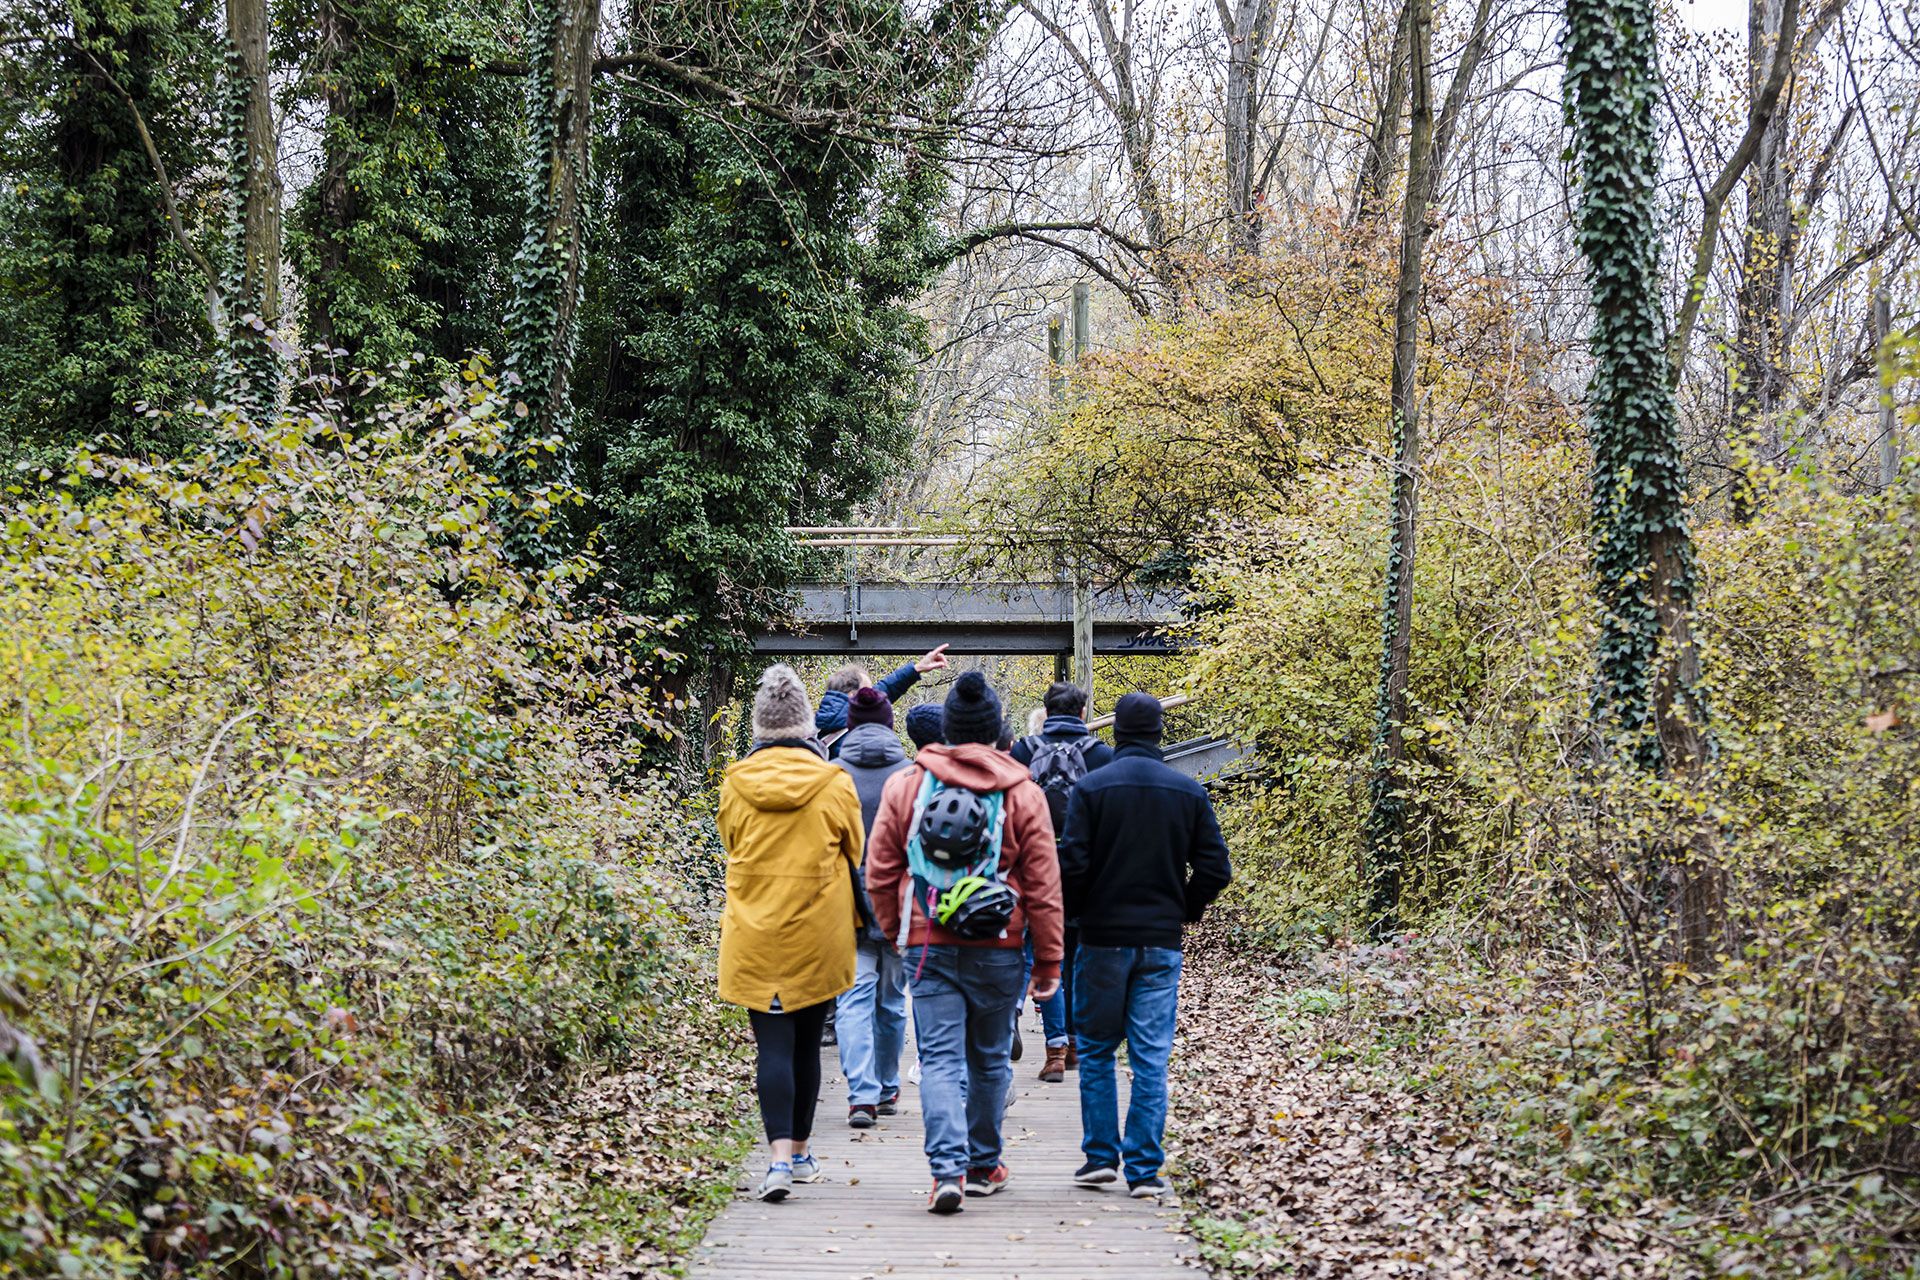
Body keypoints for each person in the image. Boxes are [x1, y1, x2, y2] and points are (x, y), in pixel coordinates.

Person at [867, 672, 1064, 1213]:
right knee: (990, 1058)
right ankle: (983, 1163)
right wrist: (1048, 959)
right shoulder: (1023, 791)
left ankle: (946, 1172)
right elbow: (1044, 886)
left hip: (928, 946)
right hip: (1001, 946)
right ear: (996, 729)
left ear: (947, 729)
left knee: (939, 1059)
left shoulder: (907, 785)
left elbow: (879, 871)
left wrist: (898, 932)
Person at [1057, 691, 1231, 1199]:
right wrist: (1183, 908)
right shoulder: (1187, 791)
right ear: (1160, 733)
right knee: (1151, 1056)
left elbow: (1072, 866)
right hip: (1160, 942)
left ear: (1117, 734)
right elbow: (1216, 868)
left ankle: (1098, 1159)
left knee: (1095, 1049)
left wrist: (1082, 911)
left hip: (1102, 939)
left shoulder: (1091, 788)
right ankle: (1144, 1170)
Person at [716, 665, 866, 1203]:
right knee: (807, 1045)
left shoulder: (735, 783)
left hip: (756, 930)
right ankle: (801, 1153)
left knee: (771, 1045)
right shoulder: (834, 782)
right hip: (818, 931)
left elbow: (732, 842)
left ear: (759, 727)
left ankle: (777, 1160)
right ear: (806, 726)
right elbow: (856, 852)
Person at [1011, 682, 1115, 1082]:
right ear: (1084, 711)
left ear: (1046, 711)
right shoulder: (1102, 755)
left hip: (1032, 863)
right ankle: (1073, 1044)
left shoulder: (1022, 751)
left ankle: (1052, 1049)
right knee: (1074, 956)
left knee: (1041, 954)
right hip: (1083, 866)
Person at [833, 687, 912, 1128]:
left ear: (848, 726)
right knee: (893, 1001)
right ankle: (886, 1086)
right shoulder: (911, 774)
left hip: (845, 908)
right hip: (898, 906)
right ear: (890, 725)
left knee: (853, 1002)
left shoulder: (833, 774)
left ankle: (860, 1095)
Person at [815, 646, 951, 757]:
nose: (873, 696)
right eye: (868, 691)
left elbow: (884, 690)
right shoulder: (855, 740)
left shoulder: (825, 723)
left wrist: (916, 669)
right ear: (852, 696)